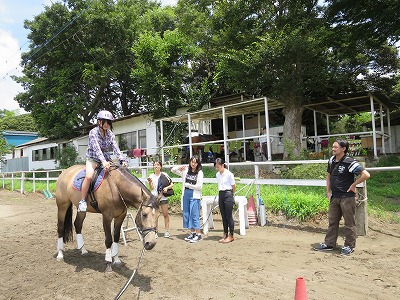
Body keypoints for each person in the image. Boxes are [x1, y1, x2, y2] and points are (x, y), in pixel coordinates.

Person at [315, 138, 370, 255]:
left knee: (349, 223)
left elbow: (366, 174)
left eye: (336, 147)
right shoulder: (331, 160)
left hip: (347, 197)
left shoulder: (350, 162)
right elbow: (329, 176)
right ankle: (329, 243)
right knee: (332, 221)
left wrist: (354, 185)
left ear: (343, 149)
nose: (333, 149)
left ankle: (349, 246)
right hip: (335, 196)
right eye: (333, 147)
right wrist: (328, 191)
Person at [78, 110, 128, 212]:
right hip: (93, 158)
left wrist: (122, 159)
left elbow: (115, 147)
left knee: (117, 173)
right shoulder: (93, 132)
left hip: (106, 159)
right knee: (88, 177)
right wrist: (103, 161)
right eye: (104, 122)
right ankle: (83, 200)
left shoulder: (110, 134)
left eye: (108, 122)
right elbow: (97, 149)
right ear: (99, 122)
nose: (106, 124)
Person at [171, 156, 204, 243]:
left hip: (194, 195)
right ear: (189, 162)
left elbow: (199, 187)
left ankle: (198, 234)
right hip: (186, 194)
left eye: (195, 162)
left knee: (194, 215)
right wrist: (179, 167)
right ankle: (192, 233)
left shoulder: (199, 173)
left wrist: (189, 185)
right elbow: (173, 170)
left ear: (198, 164)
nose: (193, 164)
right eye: (192, 162)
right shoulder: (185, 171)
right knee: (187, 214)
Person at [148, 161, 173, 238]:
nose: (156, 166)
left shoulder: (164, 175)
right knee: (155, 215)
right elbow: (152, 188)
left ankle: (167, 231)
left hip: (163, 197)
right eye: (154, 165)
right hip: (155, 197)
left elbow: (172, 184)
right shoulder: (151, 176)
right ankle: (156, 232)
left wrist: (166, 188)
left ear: (161, 166)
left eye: (158, 165)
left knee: (165, 214)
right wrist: (150, 182)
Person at [214, 158, 236, 243]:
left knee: (229, 215)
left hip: (228, 193)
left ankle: (231, 234)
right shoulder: (217, 175)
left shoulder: (229, 174)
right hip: (221, 193)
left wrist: (231, 194)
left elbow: (233, 186)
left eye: (218, 167)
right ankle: (225, 233)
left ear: (222, 165)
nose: (217, 169)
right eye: (216, 167)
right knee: (223, 215)